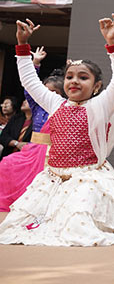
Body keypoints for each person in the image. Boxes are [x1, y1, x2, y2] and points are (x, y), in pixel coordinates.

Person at [0, 15, 114, 246]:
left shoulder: (101, 104)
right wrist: (22, 45)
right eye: (70, 77)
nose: (74, 81)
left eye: (83, 77)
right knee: (20, 225)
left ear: (96, 86)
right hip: (53, 177)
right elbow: (30, 82)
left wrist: (112, 43)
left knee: (77, 226)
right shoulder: (55, 103)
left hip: (87, 178)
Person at [0, 53, 65, 212]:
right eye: (45, 90)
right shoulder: (36, 106)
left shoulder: (63, 107)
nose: (47, 94)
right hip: (33, 149)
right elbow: (30, 89)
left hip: (51, 152)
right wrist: (35, 63)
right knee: (7, 163)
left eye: (53, 91)